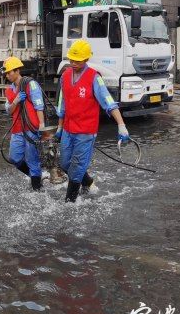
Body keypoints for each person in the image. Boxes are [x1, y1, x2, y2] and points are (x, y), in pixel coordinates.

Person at [55, 39, 131, 202]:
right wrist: (59, 127)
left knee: (76, 169)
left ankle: (69, 204)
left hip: (85, 131)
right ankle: (88, 182)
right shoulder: (65, 76)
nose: (73, 63)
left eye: (78, 60)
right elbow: (63, 103)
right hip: (68, 128)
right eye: (71, 59)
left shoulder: (94, 78)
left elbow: (108, 102)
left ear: (86, 59)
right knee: (64, 163)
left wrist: (121, 125)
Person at [3, 56, 46, 191]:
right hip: (17, 129)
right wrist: (15, 101)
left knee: (33, 160)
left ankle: (37, 188)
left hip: (31, 128)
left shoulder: (30, 84)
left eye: (9, 72)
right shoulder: (9, 90)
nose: (7, 75)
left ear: (17, 71)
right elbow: (9, 111)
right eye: (6, 73)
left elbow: (39, 105)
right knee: (14, 158)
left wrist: (42, 125)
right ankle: (37, 178)